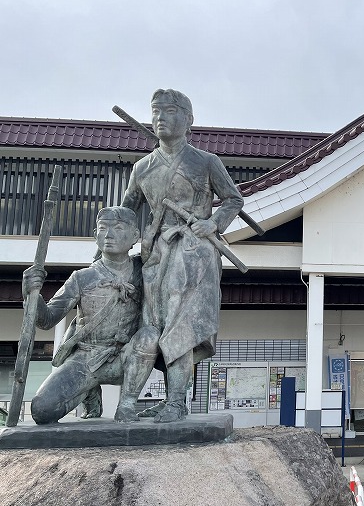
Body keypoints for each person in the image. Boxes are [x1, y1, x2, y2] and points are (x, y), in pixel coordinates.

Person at [121, 89, 244, 423]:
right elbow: (127, 210)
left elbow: (233, 199)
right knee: (155, 325)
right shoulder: (143, 167)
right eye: (156, 110)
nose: (161, 117)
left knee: (183, 324)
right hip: (156, 254)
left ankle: (177, 401)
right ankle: (166, 398)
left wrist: (212, 223)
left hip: (194, 253)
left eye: (171, 110)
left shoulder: (205, 161)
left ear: (189, 119)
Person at [22, 207, 159, 424]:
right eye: (103, 228)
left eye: (118, 228)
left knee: (150, 335)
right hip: (87, 358)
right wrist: (31, 295)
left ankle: (126, 405)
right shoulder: (81, 278)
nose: (109, 235)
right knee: (41, 411)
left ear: (135, 237)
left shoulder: (144, 271)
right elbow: (46, 320)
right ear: (95, 235)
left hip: (128, 357)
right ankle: (88, 390)